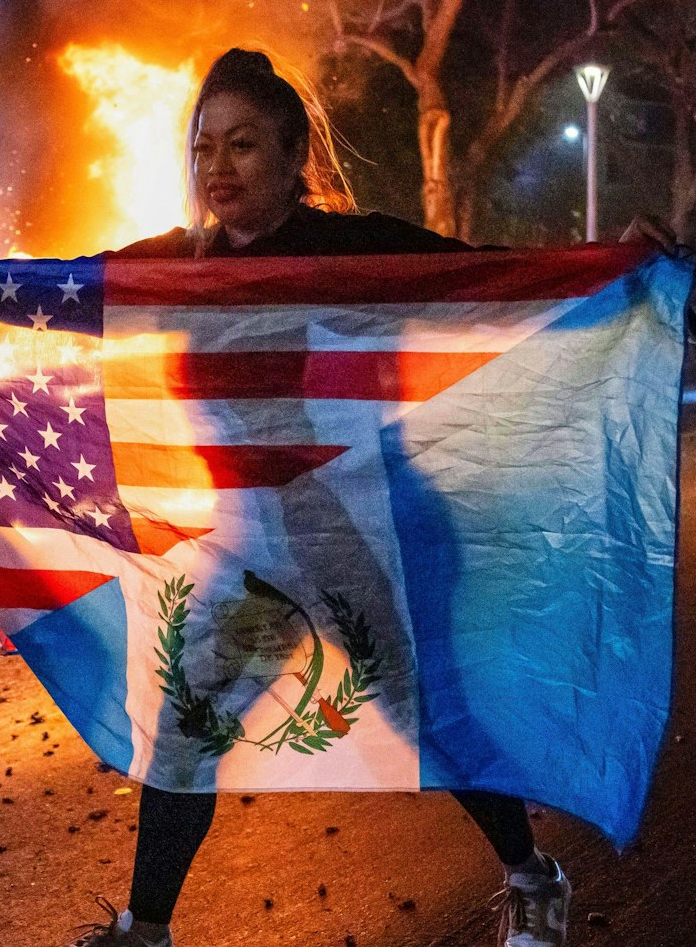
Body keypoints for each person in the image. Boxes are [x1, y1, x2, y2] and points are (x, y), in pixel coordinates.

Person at [68, 48, 572, 947]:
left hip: (355, 534)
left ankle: (534, 880)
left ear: (296, 153)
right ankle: (145, 932)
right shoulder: (178, 267)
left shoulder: (356, 250)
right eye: (204, 148)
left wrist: (628, 269)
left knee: (430, 721)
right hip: (249, 545)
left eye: (245, 145)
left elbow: (489, 281)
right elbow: (58, 295)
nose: (218, 169)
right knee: (185, 737)